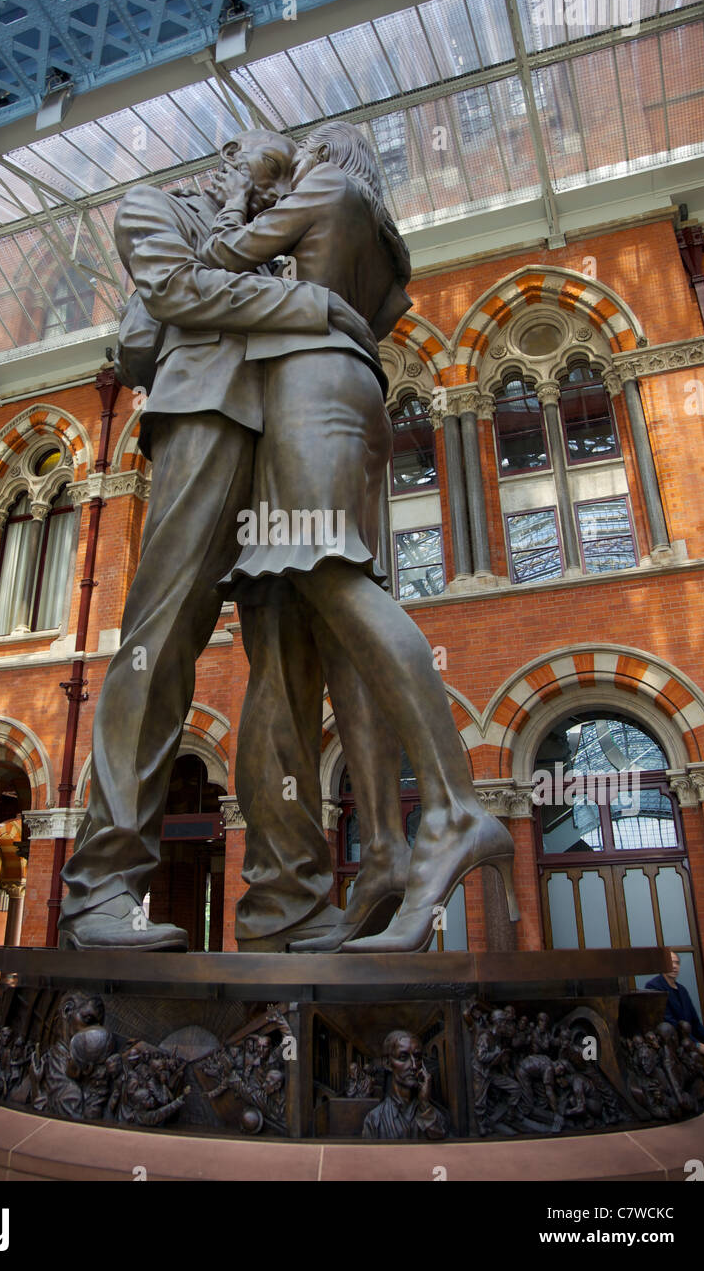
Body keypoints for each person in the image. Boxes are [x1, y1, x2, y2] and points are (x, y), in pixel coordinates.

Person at [58, 129, 404, 950]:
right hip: (210, 413)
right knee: (163, 633)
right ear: (224, 153)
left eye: (296, 171)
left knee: (290, 662)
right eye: (271, 161)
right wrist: (313, 305)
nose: (285, 178)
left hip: (294, 430)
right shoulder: (155, 207)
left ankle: (288, 903)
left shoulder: (290, 226)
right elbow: (177, 292)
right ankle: (102, 889)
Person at [201, 121, 517, 953]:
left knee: (337, 583)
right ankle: (382, 847)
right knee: (337, 606)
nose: (294, 159)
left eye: (303, 150)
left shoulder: (322, 190)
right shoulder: (378, 230)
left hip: (311, 392)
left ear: (325, 155)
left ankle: (451, 810)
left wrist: (241, 192)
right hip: (359, 393)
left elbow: (222, 258)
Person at [645, 951, 704, 1093]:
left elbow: (695, 1024)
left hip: (689, 1046)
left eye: (677, 963)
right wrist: (699, 1046)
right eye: (671, 962)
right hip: (671, 1050)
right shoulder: (654, 987)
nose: (674, 966)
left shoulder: (682, 990)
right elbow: (670, 1024)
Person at [362, 1030, 447, 1139]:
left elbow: (442, 1146)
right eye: (403, 1057)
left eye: (417, 1057)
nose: (414, 1065)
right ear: (387, 1063)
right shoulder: (374, 1120)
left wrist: (425, 1104)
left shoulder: (435, 1116)